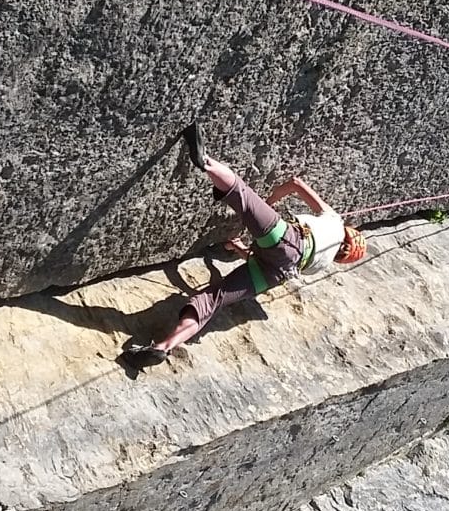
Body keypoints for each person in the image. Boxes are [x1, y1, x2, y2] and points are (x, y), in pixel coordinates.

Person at [121, 125, 367, 365]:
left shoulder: (335, 221)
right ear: (341, 258)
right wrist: (238, 249)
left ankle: (204, 160)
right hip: (276, 273)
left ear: (348, 234)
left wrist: (266, 206)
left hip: (289, 239)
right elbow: (269, 259)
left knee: (242, 193)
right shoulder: (320, 265)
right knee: (212, 300)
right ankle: (163, 347)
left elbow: (295, 184)